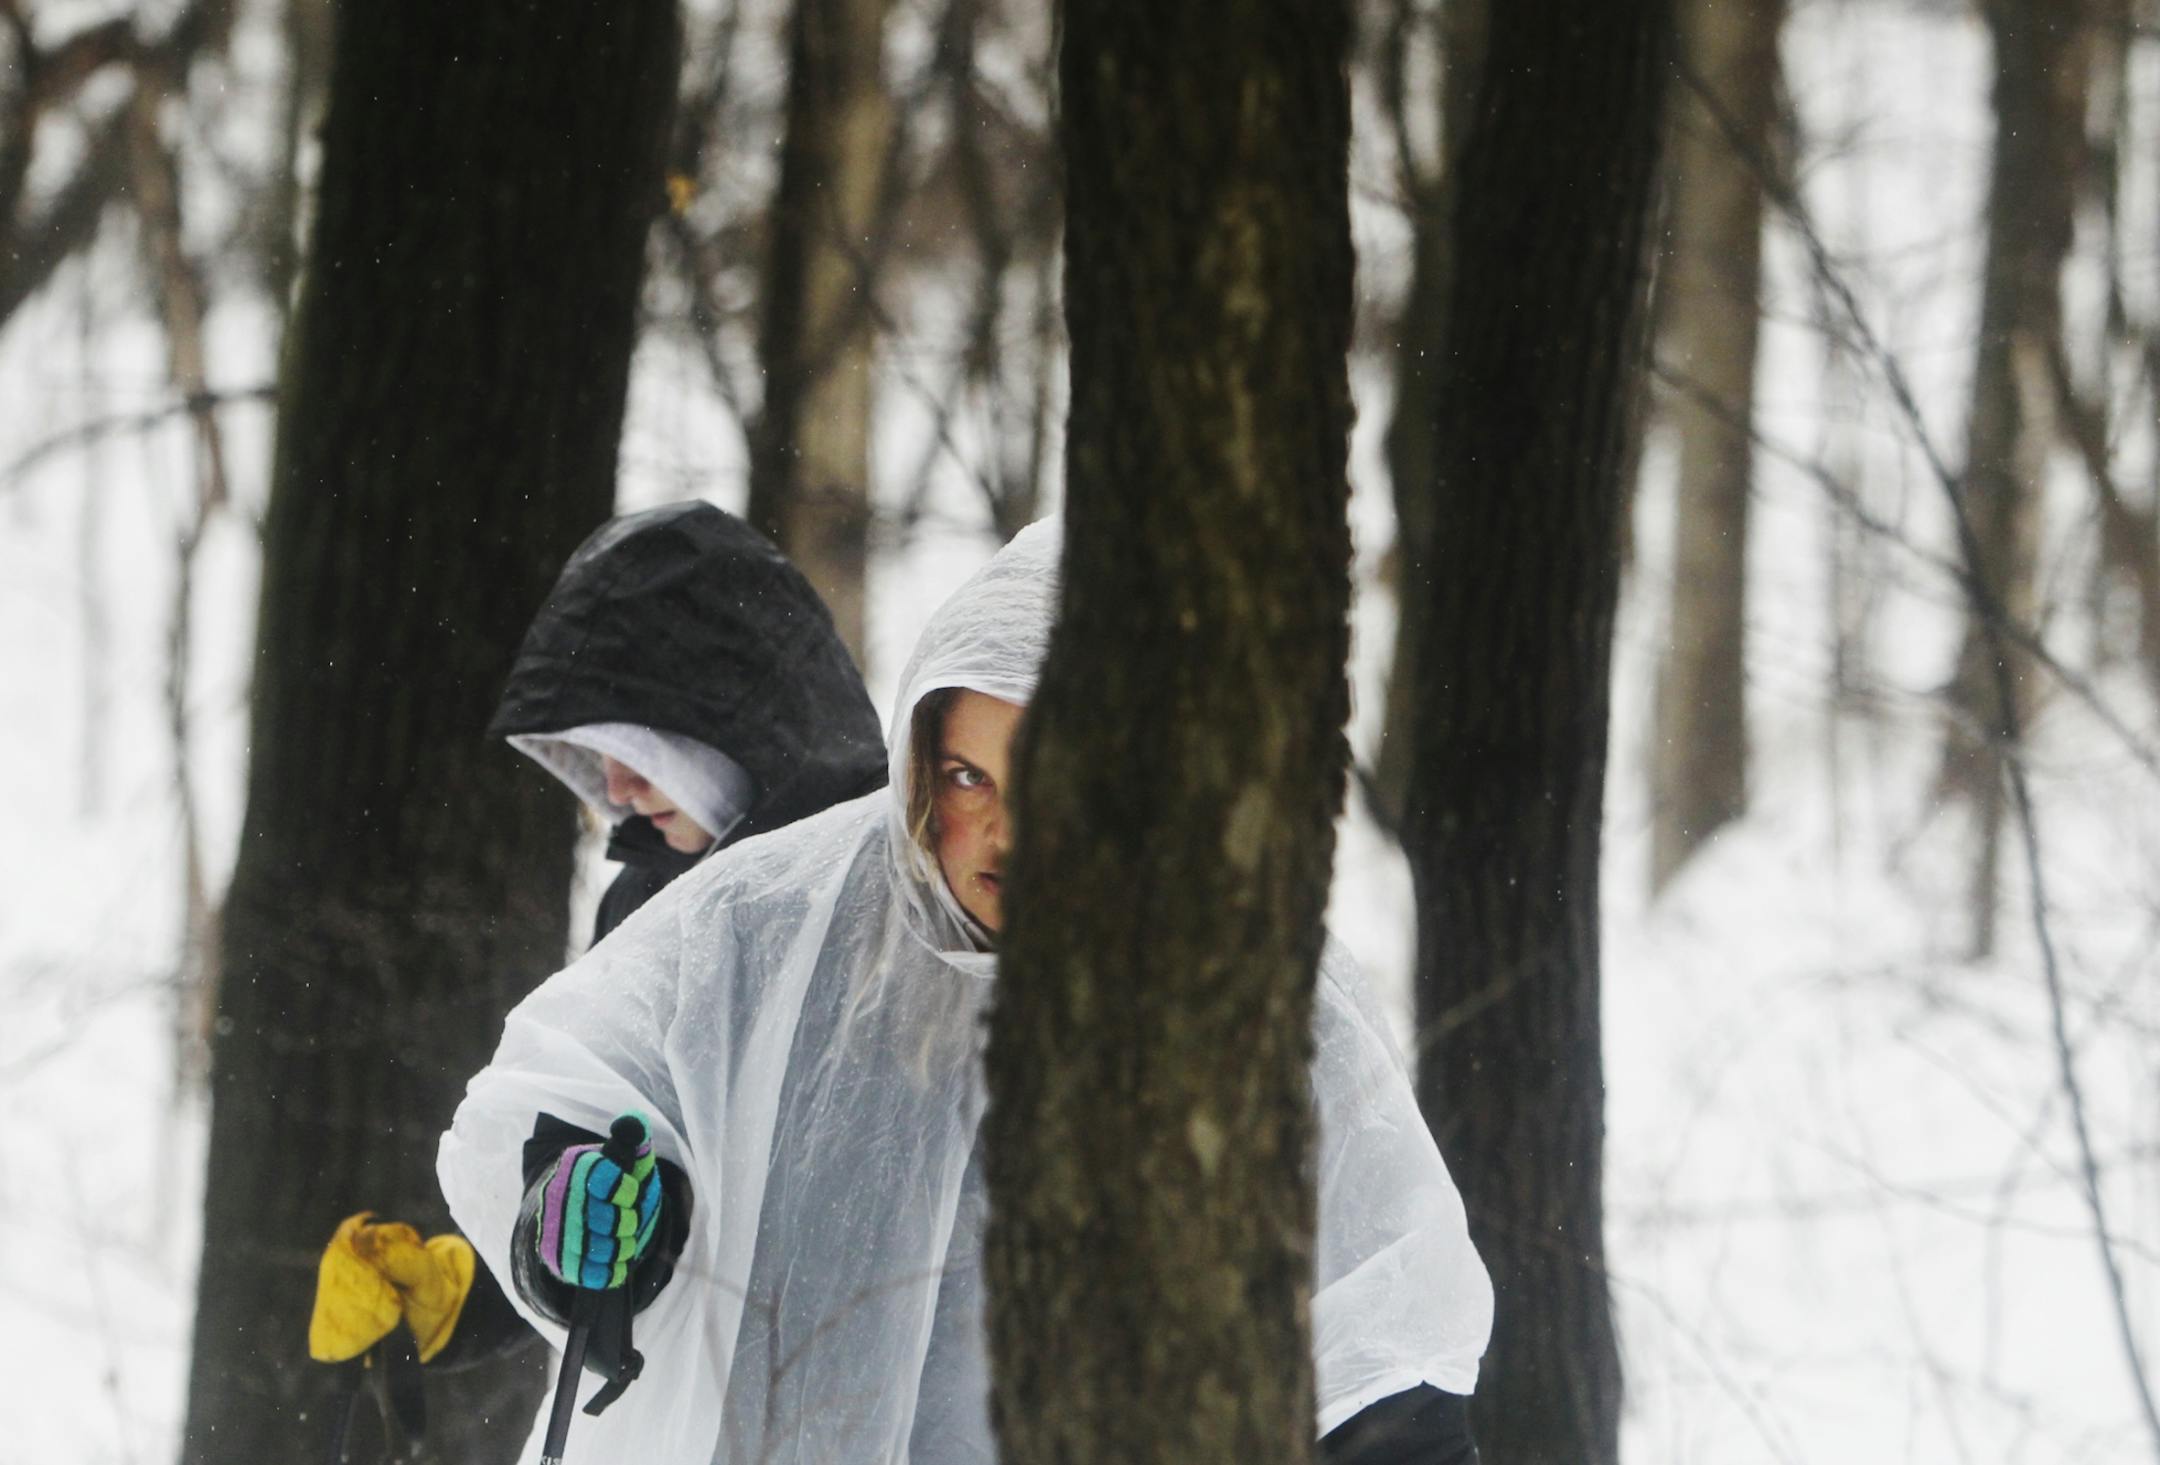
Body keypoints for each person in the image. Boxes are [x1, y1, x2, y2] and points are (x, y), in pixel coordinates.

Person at [438, 520, 1494, 1464]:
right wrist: (573, 1210)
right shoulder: (783, 922)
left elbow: (1380, 1332)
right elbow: (579, 1089)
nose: (1003, 830)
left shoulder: (1256, 996)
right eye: (967, 777)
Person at [307, 500, 886, 1386]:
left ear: (726, 725)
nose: (613, 785)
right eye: (593, 752)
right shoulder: (643, 902)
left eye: (636, 744)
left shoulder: (886, 894)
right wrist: (481, 1277)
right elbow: (611, 1193)